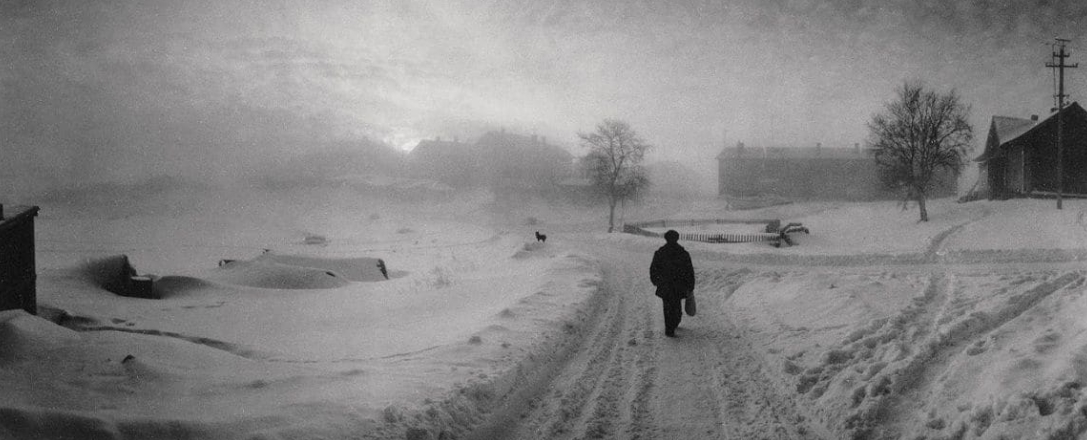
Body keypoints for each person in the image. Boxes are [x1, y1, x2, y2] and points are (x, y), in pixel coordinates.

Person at [649, 230, 695, 337]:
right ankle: (675, 322)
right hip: (679, 285)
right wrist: (690, 285)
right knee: (677, 305)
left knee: (667, 306)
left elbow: (653, 269)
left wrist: (656, 281)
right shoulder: (683, 253)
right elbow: (689, 270)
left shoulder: (660, 252)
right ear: (677, 238)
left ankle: (669, 327)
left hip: (665, 285)